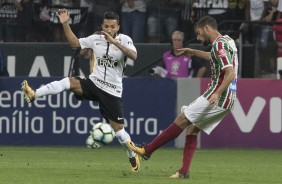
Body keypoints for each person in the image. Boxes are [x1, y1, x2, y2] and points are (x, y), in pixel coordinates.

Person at [21, 9, 140, 172]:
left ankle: (132, 155)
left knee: (119, 132)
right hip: (94, 83)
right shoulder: (95, 39)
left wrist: (115, 42)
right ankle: (35, 94)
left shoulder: (125, 40)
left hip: (112, 91)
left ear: (118, 27)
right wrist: (65, 24)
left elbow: (134, 56)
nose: (109, 30)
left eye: (112, 26)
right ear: (102, 26)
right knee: (69, 82)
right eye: (106, 26)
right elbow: (75, 43)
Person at [127, 15, 238, 178]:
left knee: (182, 119)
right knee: (192, 130)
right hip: (229, 98)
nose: (199, 37)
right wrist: (194, 52)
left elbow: (230, 72)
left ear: (207, 28)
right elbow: (214, 57)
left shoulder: (219, 44)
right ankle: (184, 172)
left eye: (199, 33)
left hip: (218, 95)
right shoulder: (226, 41)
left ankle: (147, 150)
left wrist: (218, 93)